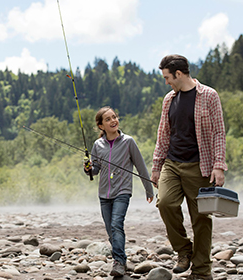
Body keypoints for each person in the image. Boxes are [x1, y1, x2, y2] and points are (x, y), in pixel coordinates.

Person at [150, 54, 228, 280]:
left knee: (201, 219)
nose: (166, 82)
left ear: (179, 74)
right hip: (172, 164)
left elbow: (218, 133)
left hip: (200, 166)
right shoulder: (169, 99)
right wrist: (156, 167)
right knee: (165, 203)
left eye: (167, 77)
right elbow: (163, 134)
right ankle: (184, 250)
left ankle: (202, 272)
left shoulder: (209, 96)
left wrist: (219, 165)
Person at [84, 106, 154, 277]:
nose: (113, 121)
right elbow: (95, 170)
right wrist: (88, 168)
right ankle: (119, 258)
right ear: (101, 126)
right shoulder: (97, 145)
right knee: (111, 230)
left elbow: (140, 166)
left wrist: (148, 189)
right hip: (104, 194)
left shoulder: (128, 141)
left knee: (116, 225)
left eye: (114, 117)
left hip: (123, 191)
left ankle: (119, 262)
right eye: (108, 119)